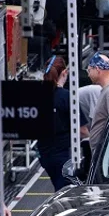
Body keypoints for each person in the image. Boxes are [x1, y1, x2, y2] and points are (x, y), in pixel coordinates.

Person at [38, 56, 81, 190]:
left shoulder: (37, 94)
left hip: (44, 154)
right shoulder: (67, 97)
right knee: (67, 192)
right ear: (64, 73)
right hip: (64, 155)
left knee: (59, 187)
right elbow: (82, 130)